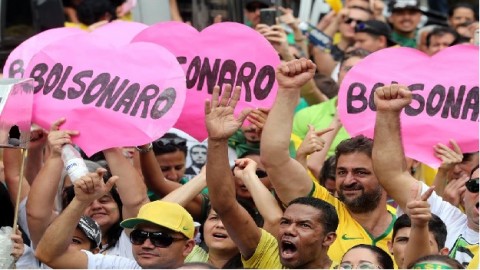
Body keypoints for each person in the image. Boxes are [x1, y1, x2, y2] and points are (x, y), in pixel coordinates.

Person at [262, 58, 395, 263]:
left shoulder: (407, 226)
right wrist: (288, 90)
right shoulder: (322, 210)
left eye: (361, 172)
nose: (348, 180)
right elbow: (274, 159)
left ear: (385, 175)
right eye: (342, 172)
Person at [205, 83, 338, 268]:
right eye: (285, 222)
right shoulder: (268, 256)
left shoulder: (347, 266)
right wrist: (218, 141)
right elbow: (224, 205)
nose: (289, 231)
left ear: (328, 239)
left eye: (304, 225)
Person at [371, 84, 479, 267]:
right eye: (475, 185)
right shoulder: (445, 219)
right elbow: (392, 174)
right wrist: (387, 113)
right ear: (465, 192)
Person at [35, 168, 196, 269]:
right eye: (139, 237)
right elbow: (49, 255)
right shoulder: (120, 266)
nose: (146, 245)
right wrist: (80, 201)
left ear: (188, 247)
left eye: (160, 239)